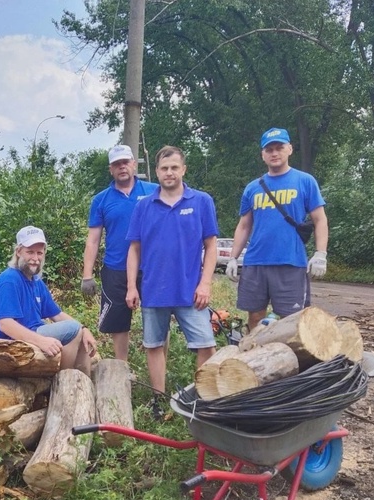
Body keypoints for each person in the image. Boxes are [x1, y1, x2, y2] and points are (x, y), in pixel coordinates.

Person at [125, 146, 219, 395]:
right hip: (153, 290)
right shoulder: (143, 206)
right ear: (156, 172)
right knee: (154, 345)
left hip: (191, 291)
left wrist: (205, 283)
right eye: (164, 168)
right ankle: (159, 398)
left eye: (174, 167)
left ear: (183, 169)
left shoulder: (201, 201)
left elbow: (211, 246)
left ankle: (203, 398)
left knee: (207, 346)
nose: (170, 173)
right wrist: (132, 286)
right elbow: (134, 249)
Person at [225, 128, 329, 332]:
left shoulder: (305, 181)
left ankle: (291, 362)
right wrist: (233, 258)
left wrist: (321, 254)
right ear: (263, 155)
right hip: (256, 262)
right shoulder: (253, 187)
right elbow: (244, 225)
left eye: (279, 148)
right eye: (269, 149)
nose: (274, 153)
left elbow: (320, 220)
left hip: (290, 261)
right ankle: (256, 359)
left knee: (292, 321)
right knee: (255, 317)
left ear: (289, 149)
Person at [82, 144, 159, 361]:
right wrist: (87, 275)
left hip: (152, 267)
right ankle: (121, 367)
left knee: (157, 319)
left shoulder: (154, 191)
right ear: (111, 169)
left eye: (126, 162)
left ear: (134, 164)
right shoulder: (101, 200)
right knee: (118, 323)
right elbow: (93, 239)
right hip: (116, 269)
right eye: (117, 164)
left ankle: (158, 366)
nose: (122, 167)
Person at [0, 225, 97, 376]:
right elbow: (6, 325)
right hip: (10, 346)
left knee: (80, 332)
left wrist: (85, 329)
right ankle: (61, 381)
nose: (35, 258)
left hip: (32, 335)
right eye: (30, 252)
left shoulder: (36, 281)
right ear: (18, 252)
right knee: (73, 329)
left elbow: (57, 315)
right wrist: (41, 341)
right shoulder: (9, 280)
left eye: (39, 253)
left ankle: (83, 384)